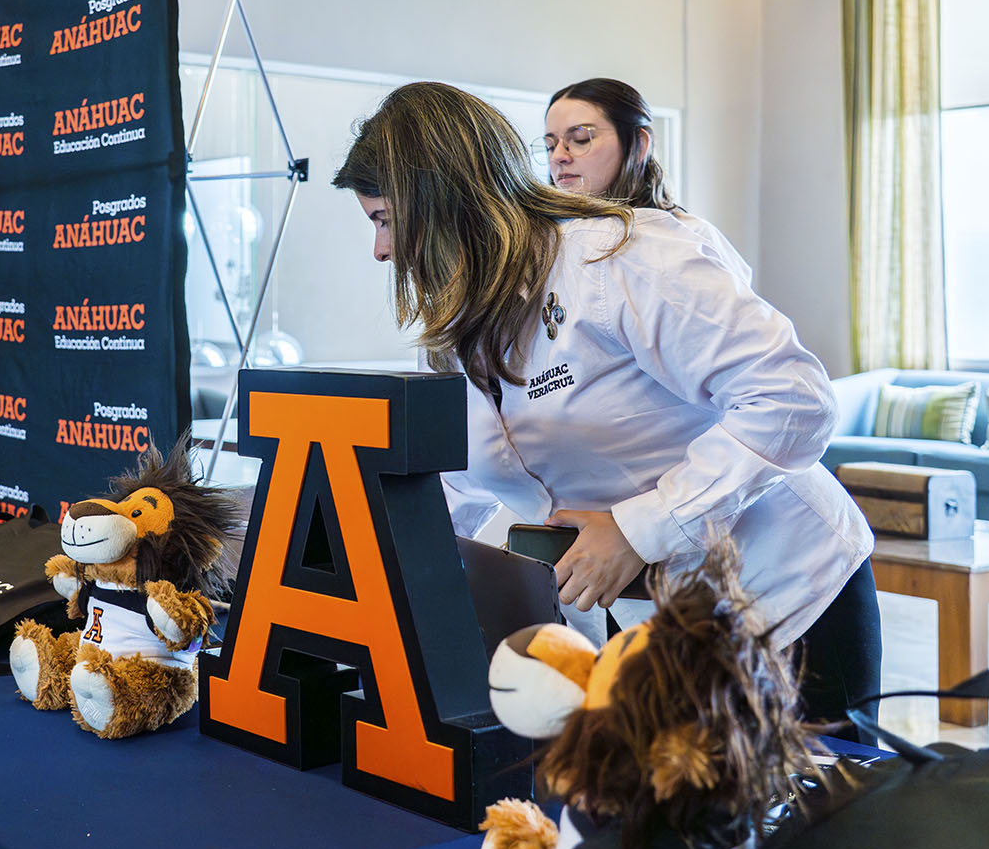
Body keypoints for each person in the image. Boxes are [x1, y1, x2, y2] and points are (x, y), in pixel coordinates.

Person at [332, 81, 880, 732]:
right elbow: (458, 487)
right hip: (646, 627)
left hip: (782, 597)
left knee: (810, 828)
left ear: (442, 201)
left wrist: (638, 529)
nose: (381, 251)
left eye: (384, 220)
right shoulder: (456, 329)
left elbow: (793, 400)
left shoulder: (624, 257)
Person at [541, 76, 751, 284]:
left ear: (639, 145)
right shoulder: (543, 241)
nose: (558, 156)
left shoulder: (692, 239)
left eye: (580, 139)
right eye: (550, 145)